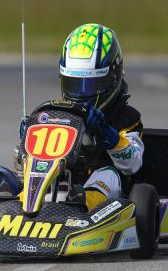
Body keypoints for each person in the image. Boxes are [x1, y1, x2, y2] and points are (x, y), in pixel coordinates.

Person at [58, 23, 145, 211]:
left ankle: (84, 205)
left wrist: (107, 134)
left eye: (88, 86)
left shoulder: (127, 118)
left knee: (106, 174)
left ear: (112, 79)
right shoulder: (59, 114)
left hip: (112, 190)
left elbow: (133, 163)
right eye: (74, 84)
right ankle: (20, 201)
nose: (80, 95)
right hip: (66, 179)